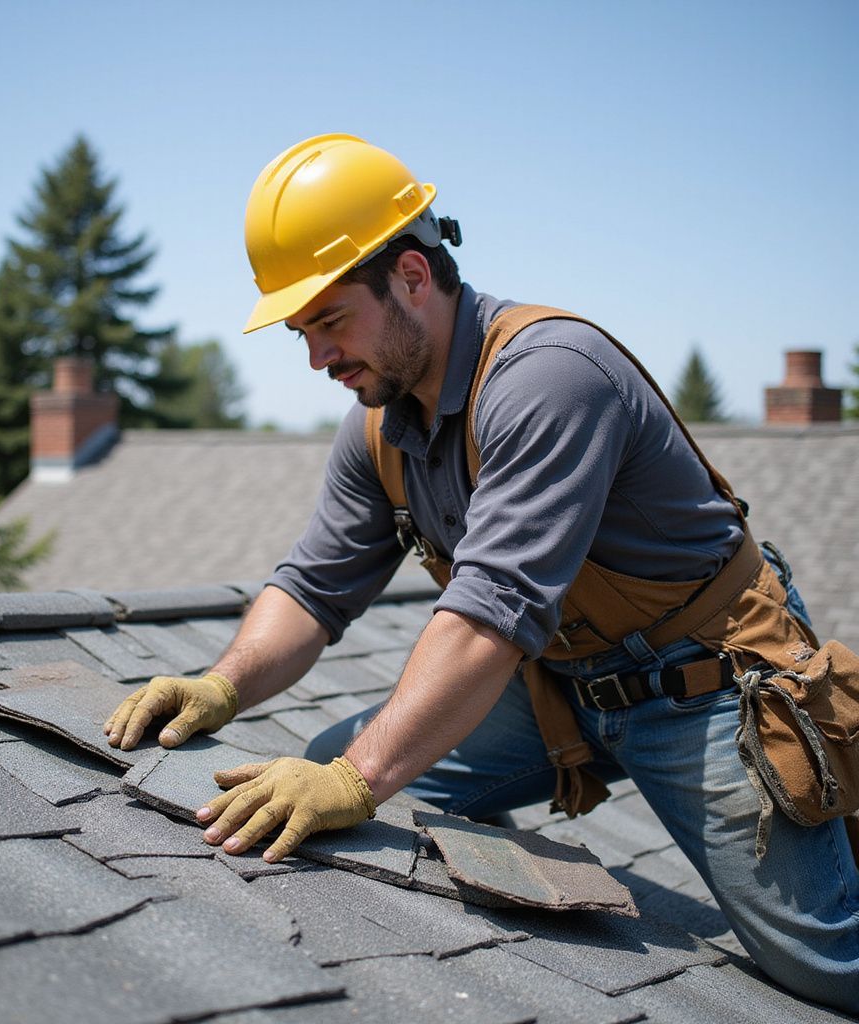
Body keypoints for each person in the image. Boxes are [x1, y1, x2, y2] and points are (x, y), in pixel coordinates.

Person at [104, 134, 859, 1011]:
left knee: (824, 973)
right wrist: (221, 686)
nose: (316, 358)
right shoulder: (379, 428)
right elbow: (312, 590)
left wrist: (357, 780)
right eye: (301, 332)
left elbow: (491, 614)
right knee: (325, 773)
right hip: (560, 685)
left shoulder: (550, 377)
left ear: (414, 277)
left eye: (330, 320)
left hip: (702, 686)